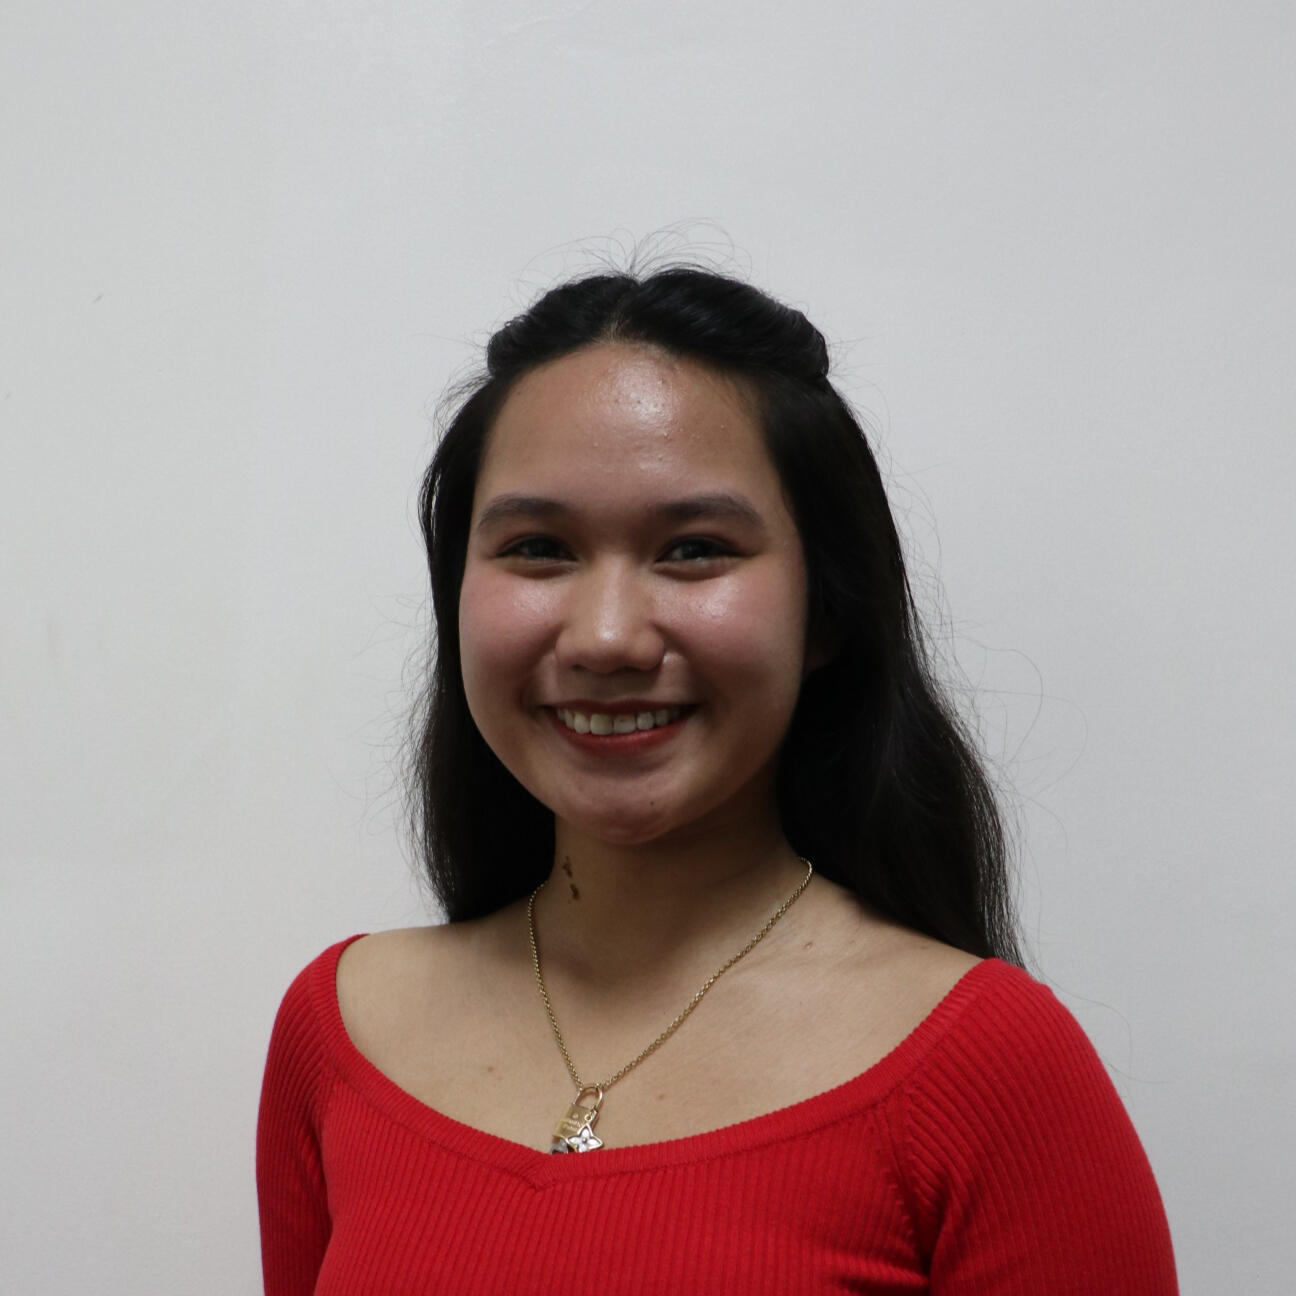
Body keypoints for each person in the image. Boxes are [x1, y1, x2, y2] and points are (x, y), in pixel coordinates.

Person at [256, 268, 1178, 1293]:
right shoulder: (337, 1032)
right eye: (539, 549)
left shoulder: (991, 1066)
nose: (607, 637)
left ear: (827, 611)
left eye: (694, 550)